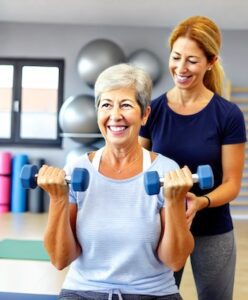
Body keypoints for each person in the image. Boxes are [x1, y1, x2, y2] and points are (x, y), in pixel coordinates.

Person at [38, 63, 195, 300]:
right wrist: (58, 199)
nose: (115, 116)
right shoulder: (76, 169)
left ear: (145, 115)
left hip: (152, 293)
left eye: (126, 105)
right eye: (106, 105)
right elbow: (60, 259)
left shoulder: (166, 171)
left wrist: (173, 203)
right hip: (85, 291)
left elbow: (174, 260)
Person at [139, 16, 247, 300]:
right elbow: (136, 169)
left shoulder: (228, 115)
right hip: (161, 228)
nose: (181, 68)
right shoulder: (153, 111)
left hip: (213, 230)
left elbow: (232, 184)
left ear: (211, 61)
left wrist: (201, 202)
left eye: (192, 60)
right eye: (176, 57)